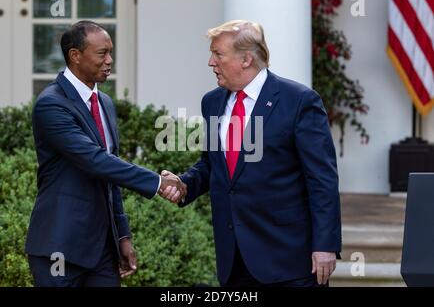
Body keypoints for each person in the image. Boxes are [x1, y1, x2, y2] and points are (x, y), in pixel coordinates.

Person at [160, 20, 341, 287]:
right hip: (234, 261)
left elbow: (322, 180)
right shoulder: (213, 102)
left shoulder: (299, 101)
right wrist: (185, 184)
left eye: (217, 54)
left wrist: (325, 245)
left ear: (246, 59)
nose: (211, 62)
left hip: (290, 261)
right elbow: (213, 165)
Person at [25, 20, 185, 287]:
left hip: (102, 251)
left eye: (111, 52)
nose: (110, 60)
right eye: (102, 53)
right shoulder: (51, 104)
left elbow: (109, 176)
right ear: (75, 56)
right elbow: (95, 161)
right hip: (60, 247)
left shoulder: (105, 104)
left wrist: (122, 236)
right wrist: (157, 183)